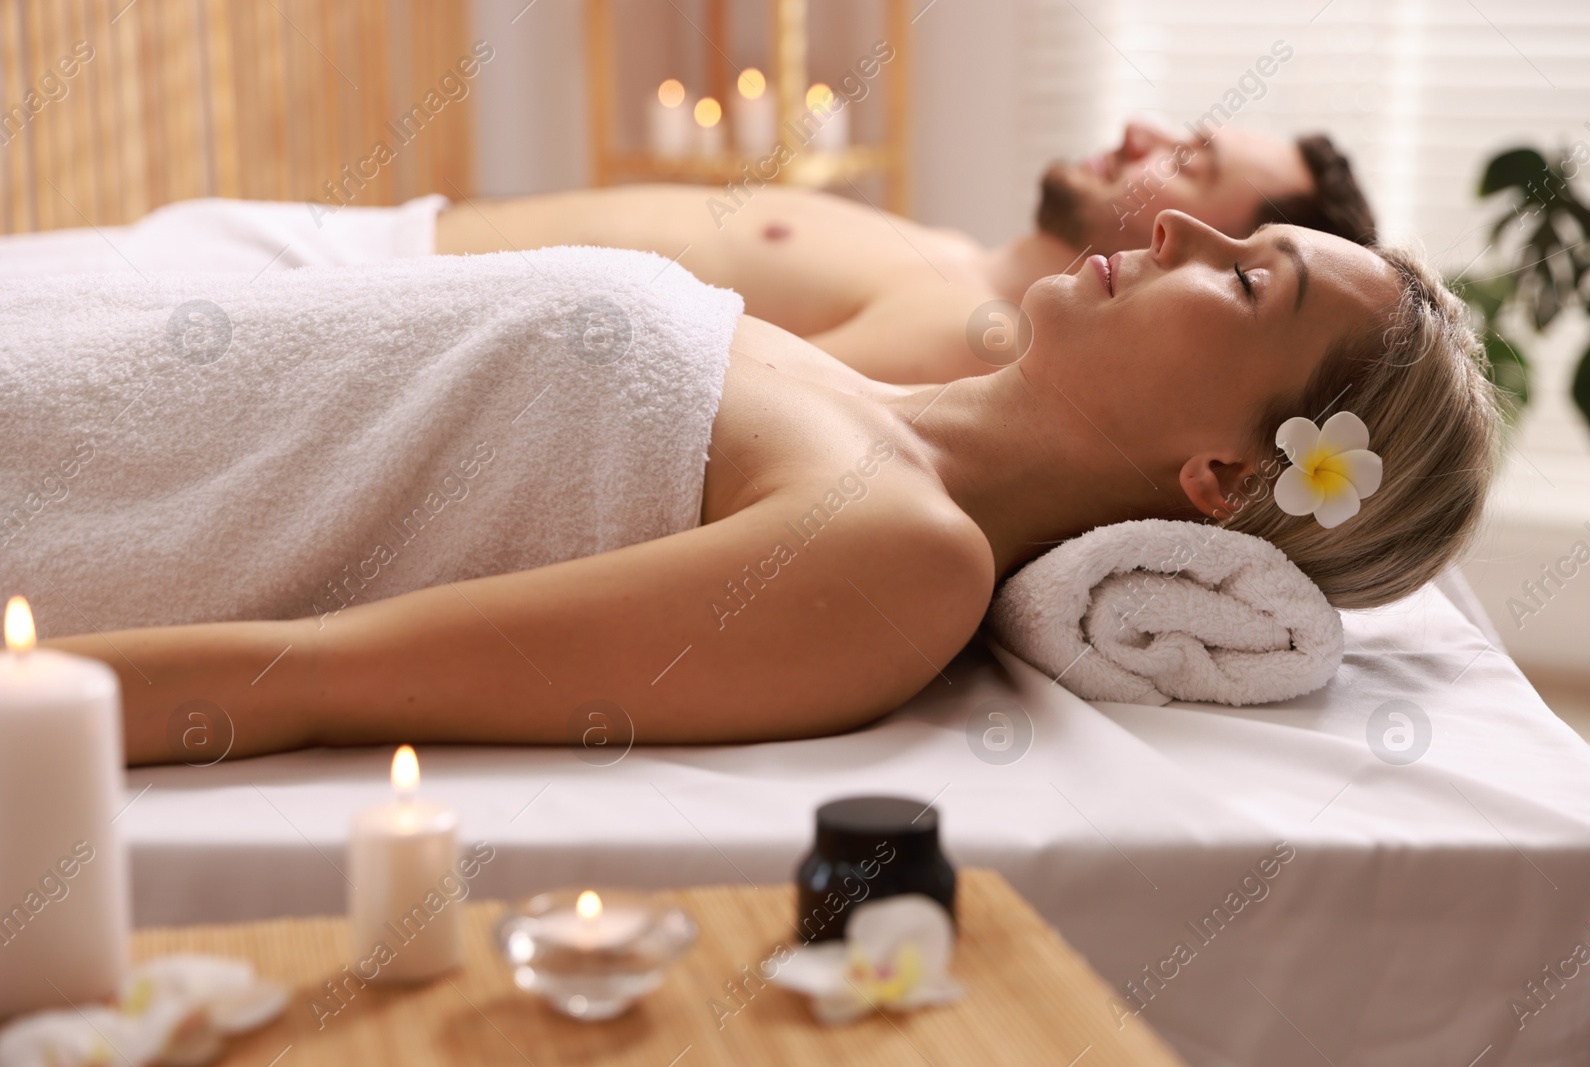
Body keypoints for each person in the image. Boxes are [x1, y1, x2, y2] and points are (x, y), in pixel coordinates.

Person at [36, 212, 1498, 766]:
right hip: (76, 388)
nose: (1179, 222)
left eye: (1246, 279)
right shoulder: (868, 390)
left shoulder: (900, 554)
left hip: (80, 521)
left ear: (1229, 472)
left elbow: (322, 675)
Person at [436, 121, 1379, 383]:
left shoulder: (969, 337)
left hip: (410, 315)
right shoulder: (957, 264)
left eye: (1192, 162)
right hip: (387, 253)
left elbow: (673, 421)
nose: (1141, 129)